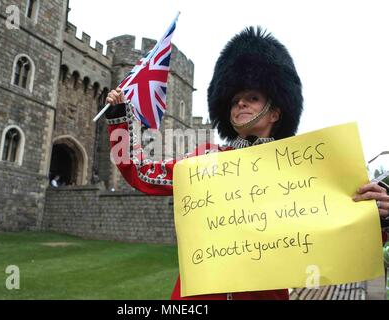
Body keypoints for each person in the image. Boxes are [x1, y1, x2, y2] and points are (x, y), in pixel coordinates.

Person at [105, 26, 388, 300]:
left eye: (252, 98)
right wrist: (119, 118)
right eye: (235, 100)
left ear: (275, 112)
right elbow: (142, 173)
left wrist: (380, 216)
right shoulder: (206, 160)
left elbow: (340, 236)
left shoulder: (302, 171)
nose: (240, 104)